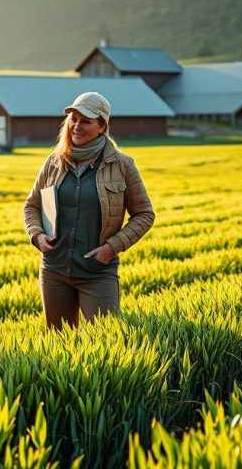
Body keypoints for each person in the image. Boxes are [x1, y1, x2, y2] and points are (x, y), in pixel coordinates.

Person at [23, 91, 154, 330]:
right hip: (55, 269)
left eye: (86, 121)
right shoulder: (53, 162)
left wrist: (111, 248)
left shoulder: (122, 165)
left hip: (97, 272)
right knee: (59, 343)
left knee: (106, 342)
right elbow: (32, 205)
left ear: (102, 126)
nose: (76, 126)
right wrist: (37, 235)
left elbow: (145, 214)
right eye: (73, 119)